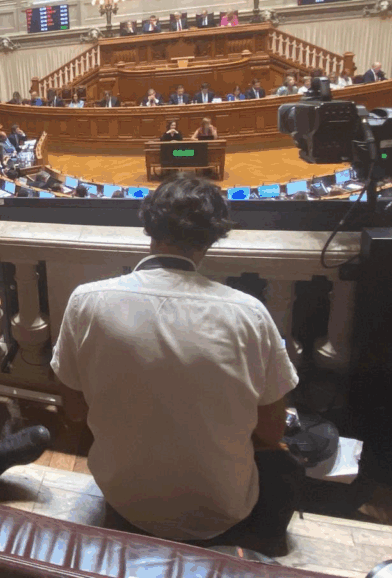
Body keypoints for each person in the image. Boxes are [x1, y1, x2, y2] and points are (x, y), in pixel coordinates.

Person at [52, 177, 299, 549]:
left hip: (123, 498)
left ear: (148, 226)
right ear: (213, 238)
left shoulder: (85, 301)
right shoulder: (251, 314)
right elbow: (272, 432)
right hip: (224, 510)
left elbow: (73, 411)